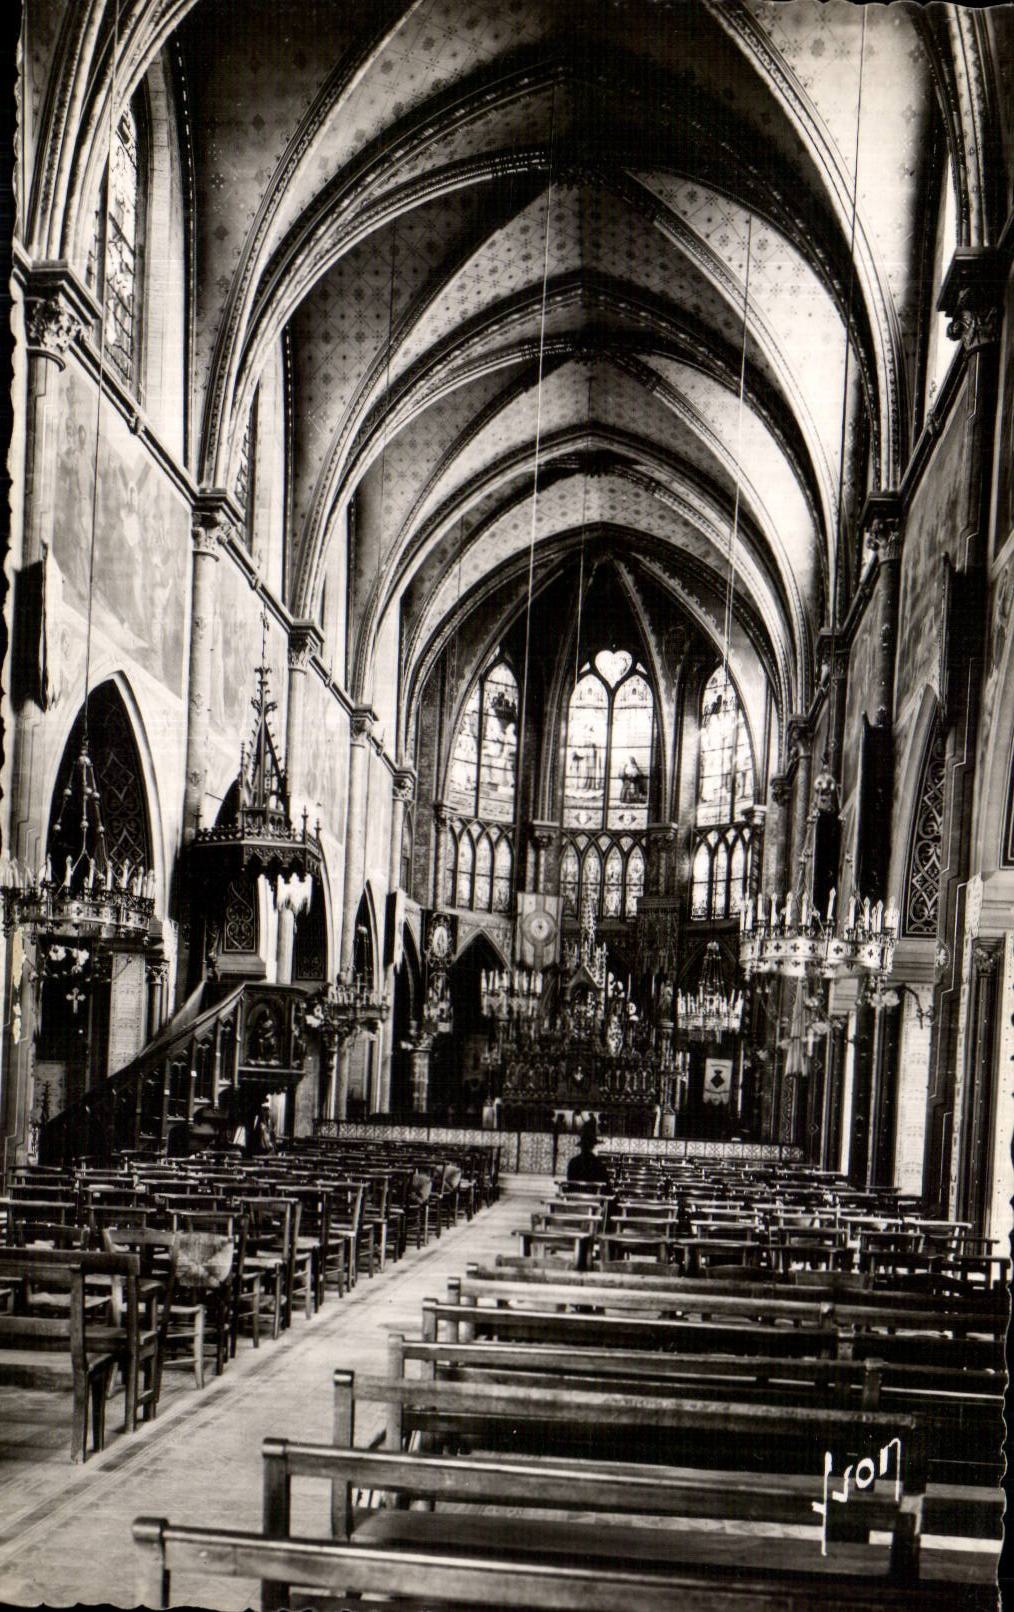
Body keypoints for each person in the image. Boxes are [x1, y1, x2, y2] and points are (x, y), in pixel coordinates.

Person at [566, 1118, 610, 1186]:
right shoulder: (599, 1164)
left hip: (577, 1192)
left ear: (581, 1146)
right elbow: (606, 1184)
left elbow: (570, 1183)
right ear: (593, 1146)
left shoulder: (573, 1162)